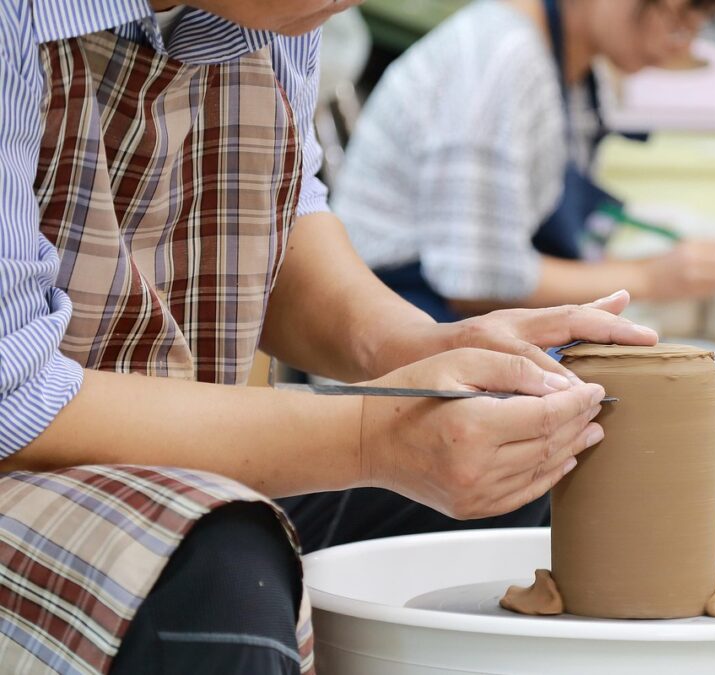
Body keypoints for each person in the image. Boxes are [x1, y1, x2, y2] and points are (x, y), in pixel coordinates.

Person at [0, 2, 658, 673]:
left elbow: (276, 219)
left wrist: (425, 349)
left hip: (170, 453)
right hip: (24, 468)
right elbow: (12, 401)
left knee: (514, 469)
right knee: (220, 572)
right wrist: (377, 437)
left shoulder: (279, 19)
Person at [334, 0, 715, 325]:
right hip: (396, 333)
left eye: (701, 24)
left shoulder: (578, 71)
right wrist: (652, 278)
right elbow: (475, 282)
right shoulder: (500, 58)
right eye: (678, 17)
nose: (681, 45)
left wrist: (710, 243)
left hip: (466, 330)